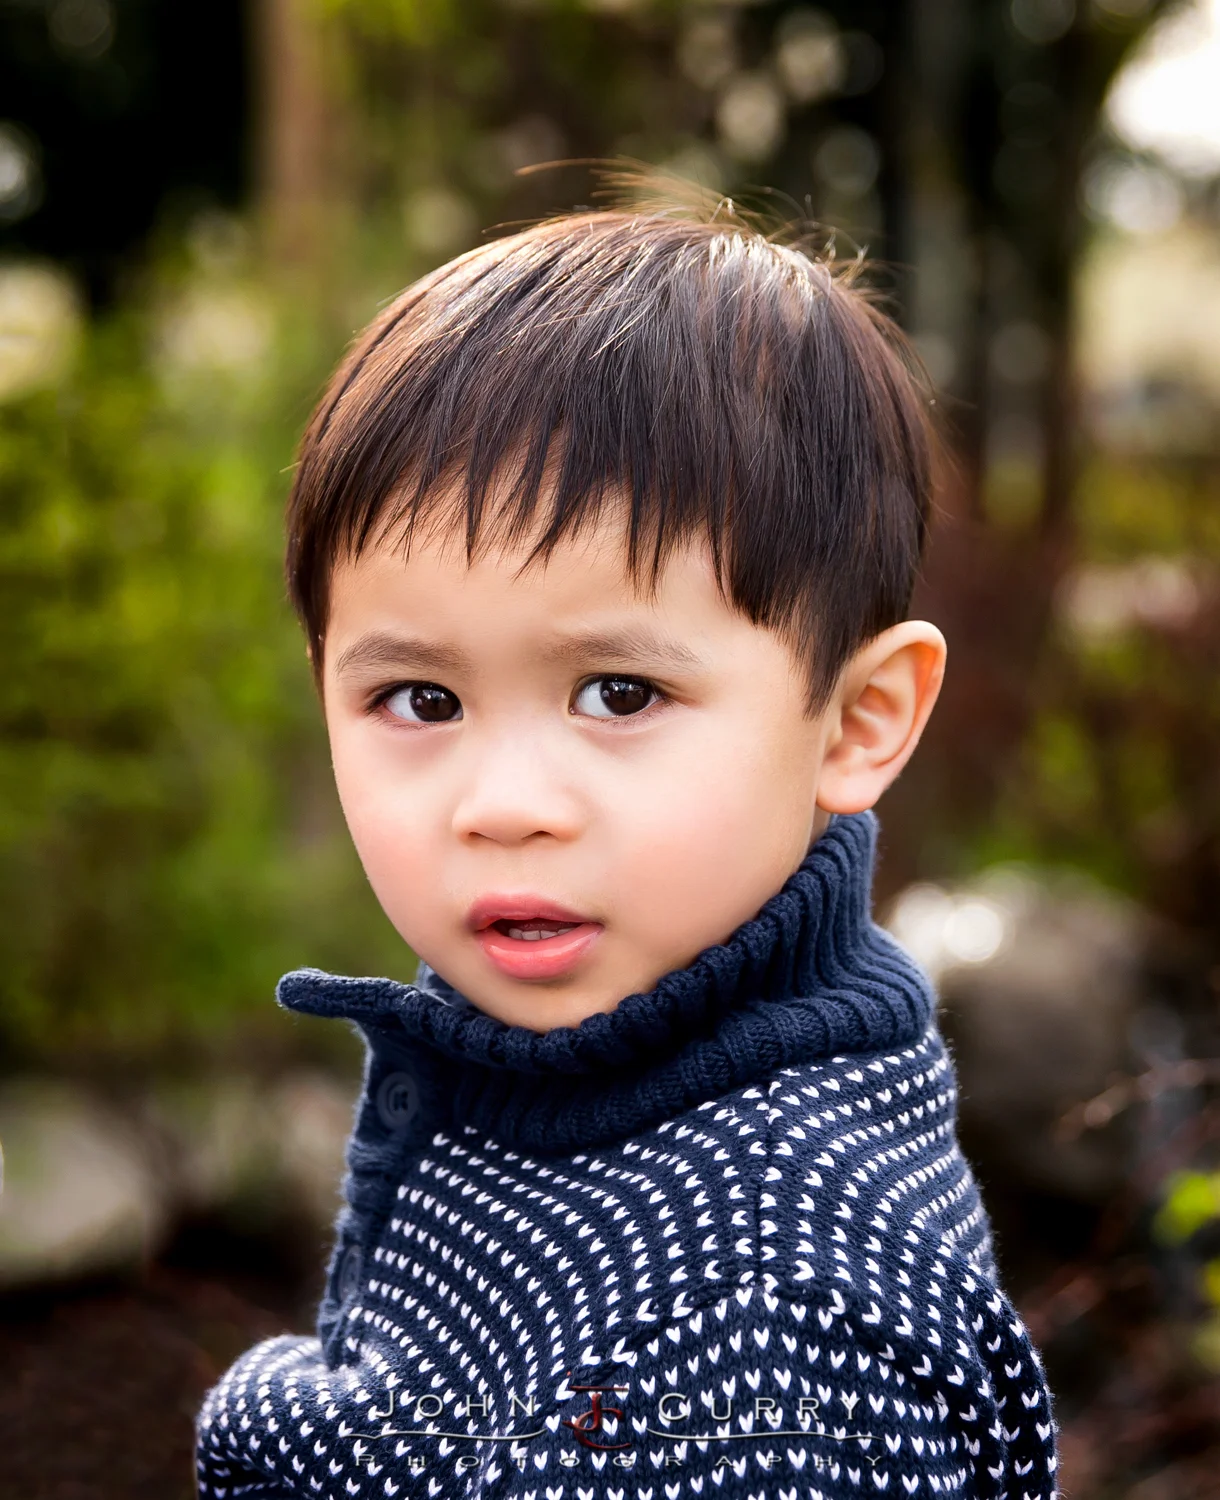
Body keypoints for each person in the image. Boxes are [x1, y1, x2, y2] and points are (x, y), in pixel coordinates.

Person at [194, 197, 1058, 1499]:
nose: (504, 805)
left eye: (618, 693)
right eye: (420, 700)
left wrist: (277, 1435)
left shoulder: (769, 1328)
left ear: (856, 719)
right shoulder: (587, 1056)